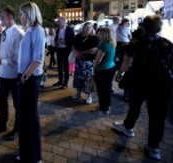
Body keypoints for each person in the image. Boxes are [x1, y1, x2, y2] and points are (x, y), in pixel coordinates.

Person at [113, 15, 173, 160]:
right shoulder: (167, 44)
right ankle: (154, 147)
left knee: (135, 105)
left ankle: (128, 127)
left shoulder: (137, 42)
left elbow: (127, 62)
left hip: (140, 79)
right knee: (158, 116)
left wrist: (119, 74)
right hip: (161, 83)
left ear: (143, 27)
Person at [0, 7, 24, 141]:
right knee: (0, 100)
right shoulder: (4, 32)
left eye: (2, 16)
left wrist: (1, 60)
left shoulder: (18, 33)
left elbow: (18, 58)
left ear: (10, 17)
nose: (0, 18)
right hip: (2, 73)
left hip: (14, 75)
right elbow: (6, 52)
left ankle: (17, 129)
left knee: (17, 104)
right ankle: (2, 124)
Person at [16, 2, 45, 163]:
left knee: (30, 118)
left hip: (30, 78)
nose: (20, 17)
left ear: (29, 14)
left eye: (22, 14)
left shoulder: (38, 31)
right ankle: (25, 151)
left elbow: (37, 59)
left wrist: (24, 77)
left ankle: (34, 156)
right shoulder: (29, 31)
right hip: (25, 76)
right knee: (24, 117)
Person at [71, 22, 99, 104]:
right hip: (79, 61)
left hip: (89, 61)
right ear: (83, 28)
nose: (88, 29)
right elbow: (73, 46)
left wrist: (82, 53)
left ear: (92, 28)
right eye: (86, 27)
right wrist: (76, 52)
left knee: (89, 79)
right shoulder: (78, 36)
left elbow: (94, 49)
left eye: (90, 27)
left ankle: (89, 96)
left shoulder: (94, 38)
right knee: (78, 77)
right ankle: (78, 93)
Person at [93, 27, 116, 115]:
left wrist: (93, 68)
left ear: (105, 34)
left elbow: (98, 59)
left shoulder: (103, 44)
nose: (98, 34)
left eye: (100, 33)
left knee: (102, 90)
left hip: (103, 69)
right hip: (111, 67)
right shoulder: (112, 42)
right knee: (107, 88)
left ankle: (104, 109)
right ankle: (107, 106)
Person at [53, 16, 75, 89]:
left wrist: (65, 41)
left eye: (59, 21)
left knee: (66, 67)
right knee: (59, 66)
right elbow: (56, 38)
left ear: (64, 21)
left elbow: (73, 40)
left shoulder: (69, 29)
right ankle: (60, 81)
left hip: (66, 50)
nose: (58, 23)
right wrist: (56, 42)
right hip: (59, 49)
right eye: (57, 21)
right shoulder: (58, 30)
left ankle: (65, 83)